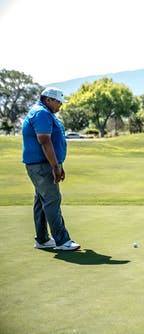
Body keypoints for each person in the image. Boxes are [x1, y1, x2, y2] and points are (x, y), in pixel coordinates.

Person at [22, 87, 80, 251]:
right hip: (42, 165)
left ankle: (42, 239)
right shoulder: (42, 114)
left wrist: (58, 164)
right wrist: (55, 167)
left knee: (41, 201)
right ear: (48, 100)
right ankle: (62, 241)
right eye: (58, 101)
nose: (60, 105)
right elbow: (44, 140)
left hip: (43, 164)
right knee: (52, 200)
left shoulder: (43, 113)